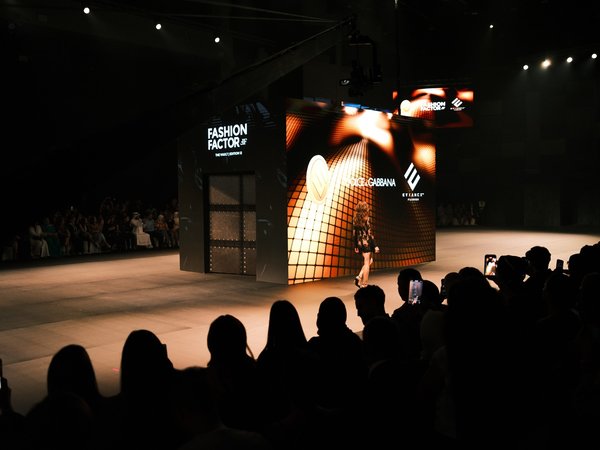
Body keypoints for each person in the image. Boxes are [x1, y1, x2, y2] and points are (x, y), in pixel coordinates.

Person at [352, 201, 379, 288]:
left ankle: (359, 277)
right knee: (367, 262)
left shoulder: (355, 219)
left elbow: (354, 234)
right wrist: (375, 245)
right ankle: (364, 284)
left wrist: (356, 246)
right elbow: (369, 234)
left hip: (360, 243)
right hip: (366, 243)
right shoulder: (366, 218)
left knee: (370, 261)